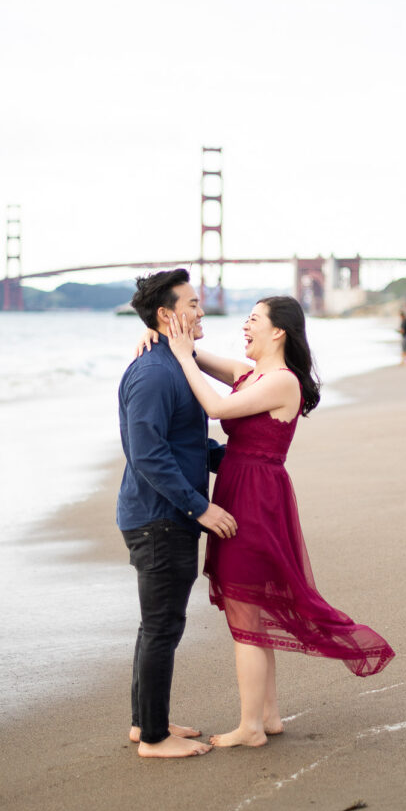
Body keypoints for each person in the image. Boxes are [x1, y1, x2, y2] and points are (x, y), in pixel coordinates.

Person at [162, 296, 395, 748]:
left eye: (253, 320)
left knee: (245, 610)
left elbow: (214, 407)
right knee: (249, 609)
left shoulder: (281, 382)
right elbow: (201, 360)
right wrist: (170, 341)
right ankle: (266, 716)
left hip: (255, 501)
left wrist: (179, 357)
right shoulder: (253, 375)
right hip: (246, 490)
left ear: (278, 332)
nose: (244, 326)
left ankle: (250, 727)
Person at [117, 269, 238, 758]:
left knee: (157, 625)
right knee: (163, 626)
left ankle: (145, 722)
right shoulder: (153, 372)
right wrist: (201, 507)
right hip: (159, 518)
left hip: (166, 514)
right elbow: (146, 453)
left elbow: (183, 442)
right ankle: (153, 738)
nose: (201, 309)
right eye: (191, 303)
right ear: (167, 316)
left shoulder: (173, 362)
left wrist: (232, 460)